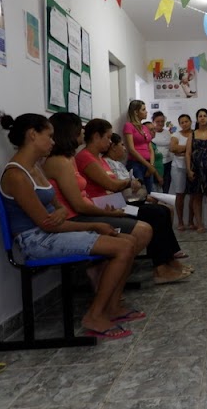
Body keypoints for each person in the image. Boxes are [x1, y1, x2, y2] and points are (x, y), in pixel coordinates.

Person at [0, 113, 137, 339]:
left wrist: (61, 212)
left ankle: (111, 307)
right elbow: (47, 225)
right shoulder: (16, 175)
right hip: (36, 240)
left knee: (129, 240)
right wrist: (95, 225)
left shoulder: (35, 168)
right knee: (123, 247)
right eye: (49, 136)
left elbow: (57, 207)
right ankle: (95, 314)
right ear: (33, 135)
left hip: (51, 231)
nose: (53, 141)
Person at [75, 119, 191, 283]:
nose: (110, 142)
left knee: (162, 211)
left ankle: (168, 260)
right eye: (107, 138)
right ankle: (160, 268)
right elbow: (111, 185)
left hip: (118, 204)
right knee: (156, 213)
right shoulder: (85, 158)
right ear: (96, 136)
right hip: (105, 208)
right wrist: (129, 183)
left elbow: (114, 186)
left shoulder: (99, 159)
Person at [43, 113, 152, 287]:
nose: (82, 135)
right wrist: (110, 211)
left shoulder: (71, 159)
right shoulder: (64, 161)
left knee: (150, 219)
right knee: (143, 229)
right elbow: (80, 205)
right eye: (80, 131)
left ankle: (109, 274)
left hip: (93, 209)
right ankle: (106, 275)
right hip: (80, 216)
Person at [123, 100, 156, 194]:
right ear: (136, 112)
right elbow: (131, 149)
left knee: (150, 192)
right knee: (139, 192)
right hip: (136, 163)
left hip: (148, 164)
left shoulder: (145, 127)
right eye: (143, 110)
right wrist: (148, 165)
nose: (146, 112)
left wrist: (151, 165)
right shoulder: (128, 126)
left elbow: (150, 148)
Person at [170, 114, 195, 230]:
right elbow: (173, 148)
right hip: (178, 168)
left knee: (194, 196)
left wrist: (182, 149)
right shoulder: (176, 134)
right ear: (179, 124)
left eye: (186, 121)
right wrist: (189, 148)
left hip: (193, 167)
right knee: (180, 194)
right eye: (182, 122)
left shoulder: (196, 133)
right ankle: (180, 222)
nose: (184, 124)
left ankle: (191, 222)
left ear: (190, 122)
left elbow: (198, 148)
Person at [152, 111, 173, 193]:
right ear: (153, 122)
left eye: (162, 121)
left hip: (168, 163)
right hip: (156, 164)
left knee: (166, 186)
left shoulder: (167, 132)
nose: (160, 123)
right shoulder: (151, 132)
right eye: (157, 121)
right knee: (156, 187)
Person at [144, 121, 165, 191]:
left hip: (158, 178)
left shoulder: (153, 143)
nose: (154, 131)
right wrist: (158, 176)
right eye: (151, 130)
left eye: (154, 129)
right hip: (153, 177)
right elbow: (151, 163)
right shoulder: (145, 146)